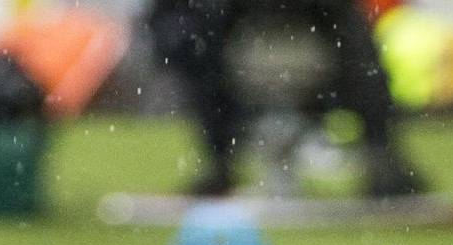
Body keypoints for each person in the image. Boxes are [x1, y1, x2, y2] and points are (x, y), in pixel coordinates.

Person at [150, 0, 428, 200]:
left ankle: (382, 156)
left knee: (355, 50)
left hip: (311, 47)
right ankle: (219, 162)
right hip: (249, 45)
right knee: (195, 39)